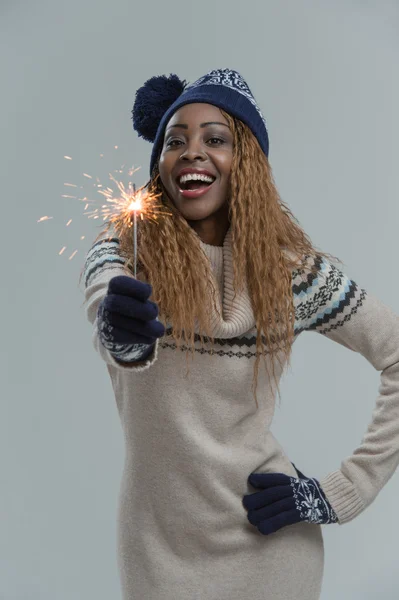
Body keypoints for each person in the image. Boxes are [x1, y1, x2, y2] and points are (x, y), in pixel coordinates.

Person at [82, 69, 399, 600]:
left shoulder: (294, 274)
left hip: (273, 553)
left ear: (245, 160)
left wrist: (343, 491)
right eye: (174, 140)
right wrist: (121, 333)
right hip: (157, 554)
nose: (191, 152)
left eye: (216, 139)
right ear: (158, 164)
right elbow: (105, 307)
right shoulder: (125, 250)